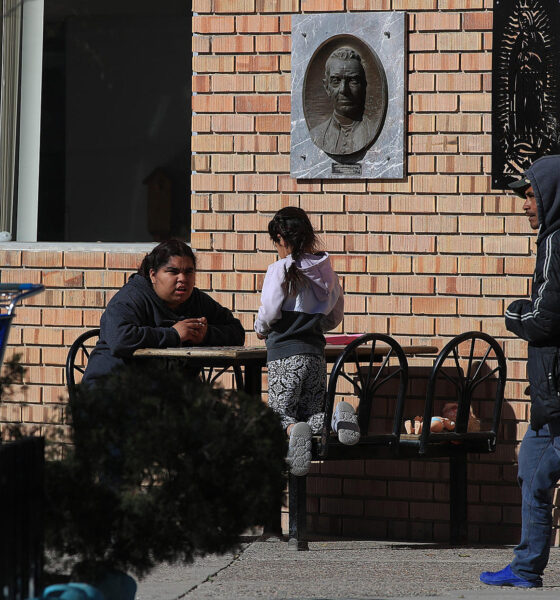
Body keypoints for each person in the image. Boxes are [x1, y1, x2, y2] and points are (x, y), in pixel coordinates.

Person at [480, 155, 560, 588]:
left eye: (531, 196)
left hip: (557, 390)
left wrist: (514, 314)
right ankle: (527, 568)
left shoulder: (555, 242)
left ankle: (527, 567)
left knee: (535, 469)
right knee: (531, 465)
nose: (525, 205)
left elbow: (544, 319)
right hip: (551, 397)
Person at [254, 207, 356, 477]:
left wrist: (260, 328)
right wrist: (314, 323)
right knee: (312, 413)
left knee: (278, 415)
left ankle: (291, 431)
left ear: (280, 238)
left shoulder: (279, 269)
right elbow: (334, 317)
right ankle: (334, 420)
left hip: (284, 355)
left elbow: (270, 310)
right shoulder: (326, 272)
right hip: (314, 355)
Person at [82, 239, 245, 386]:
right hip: (112, 390)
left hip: (166, 397)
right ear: (153, 274)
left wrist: (206, 334)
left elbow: (236, 332)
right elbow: (120, 338)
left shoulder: (197, 300)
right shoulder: (131, 297)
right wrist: (173, 334)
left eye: (189, 272)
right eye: (173, 272)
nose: (182, 278)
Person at [309, 47, 377, 156]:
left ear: (364, 86)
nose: (344, 90)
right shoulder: (317, 134)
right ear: (326, 87)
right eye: (336, 81)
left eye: (353, 81)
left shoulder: (372, 130)